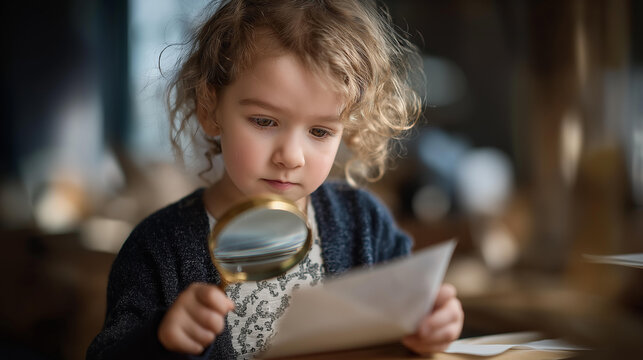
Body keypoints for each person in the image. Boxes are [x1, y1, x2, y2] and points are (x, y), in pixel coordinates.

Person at [87, 0, 464, 359]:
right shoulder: (159, 249)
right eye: (264, 122)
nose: (291, 156)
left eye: (319, 131)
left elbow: (407, 322)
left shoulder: (363, 225)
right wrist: (161, 340)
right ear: (208, 108)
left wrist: (430, 326)